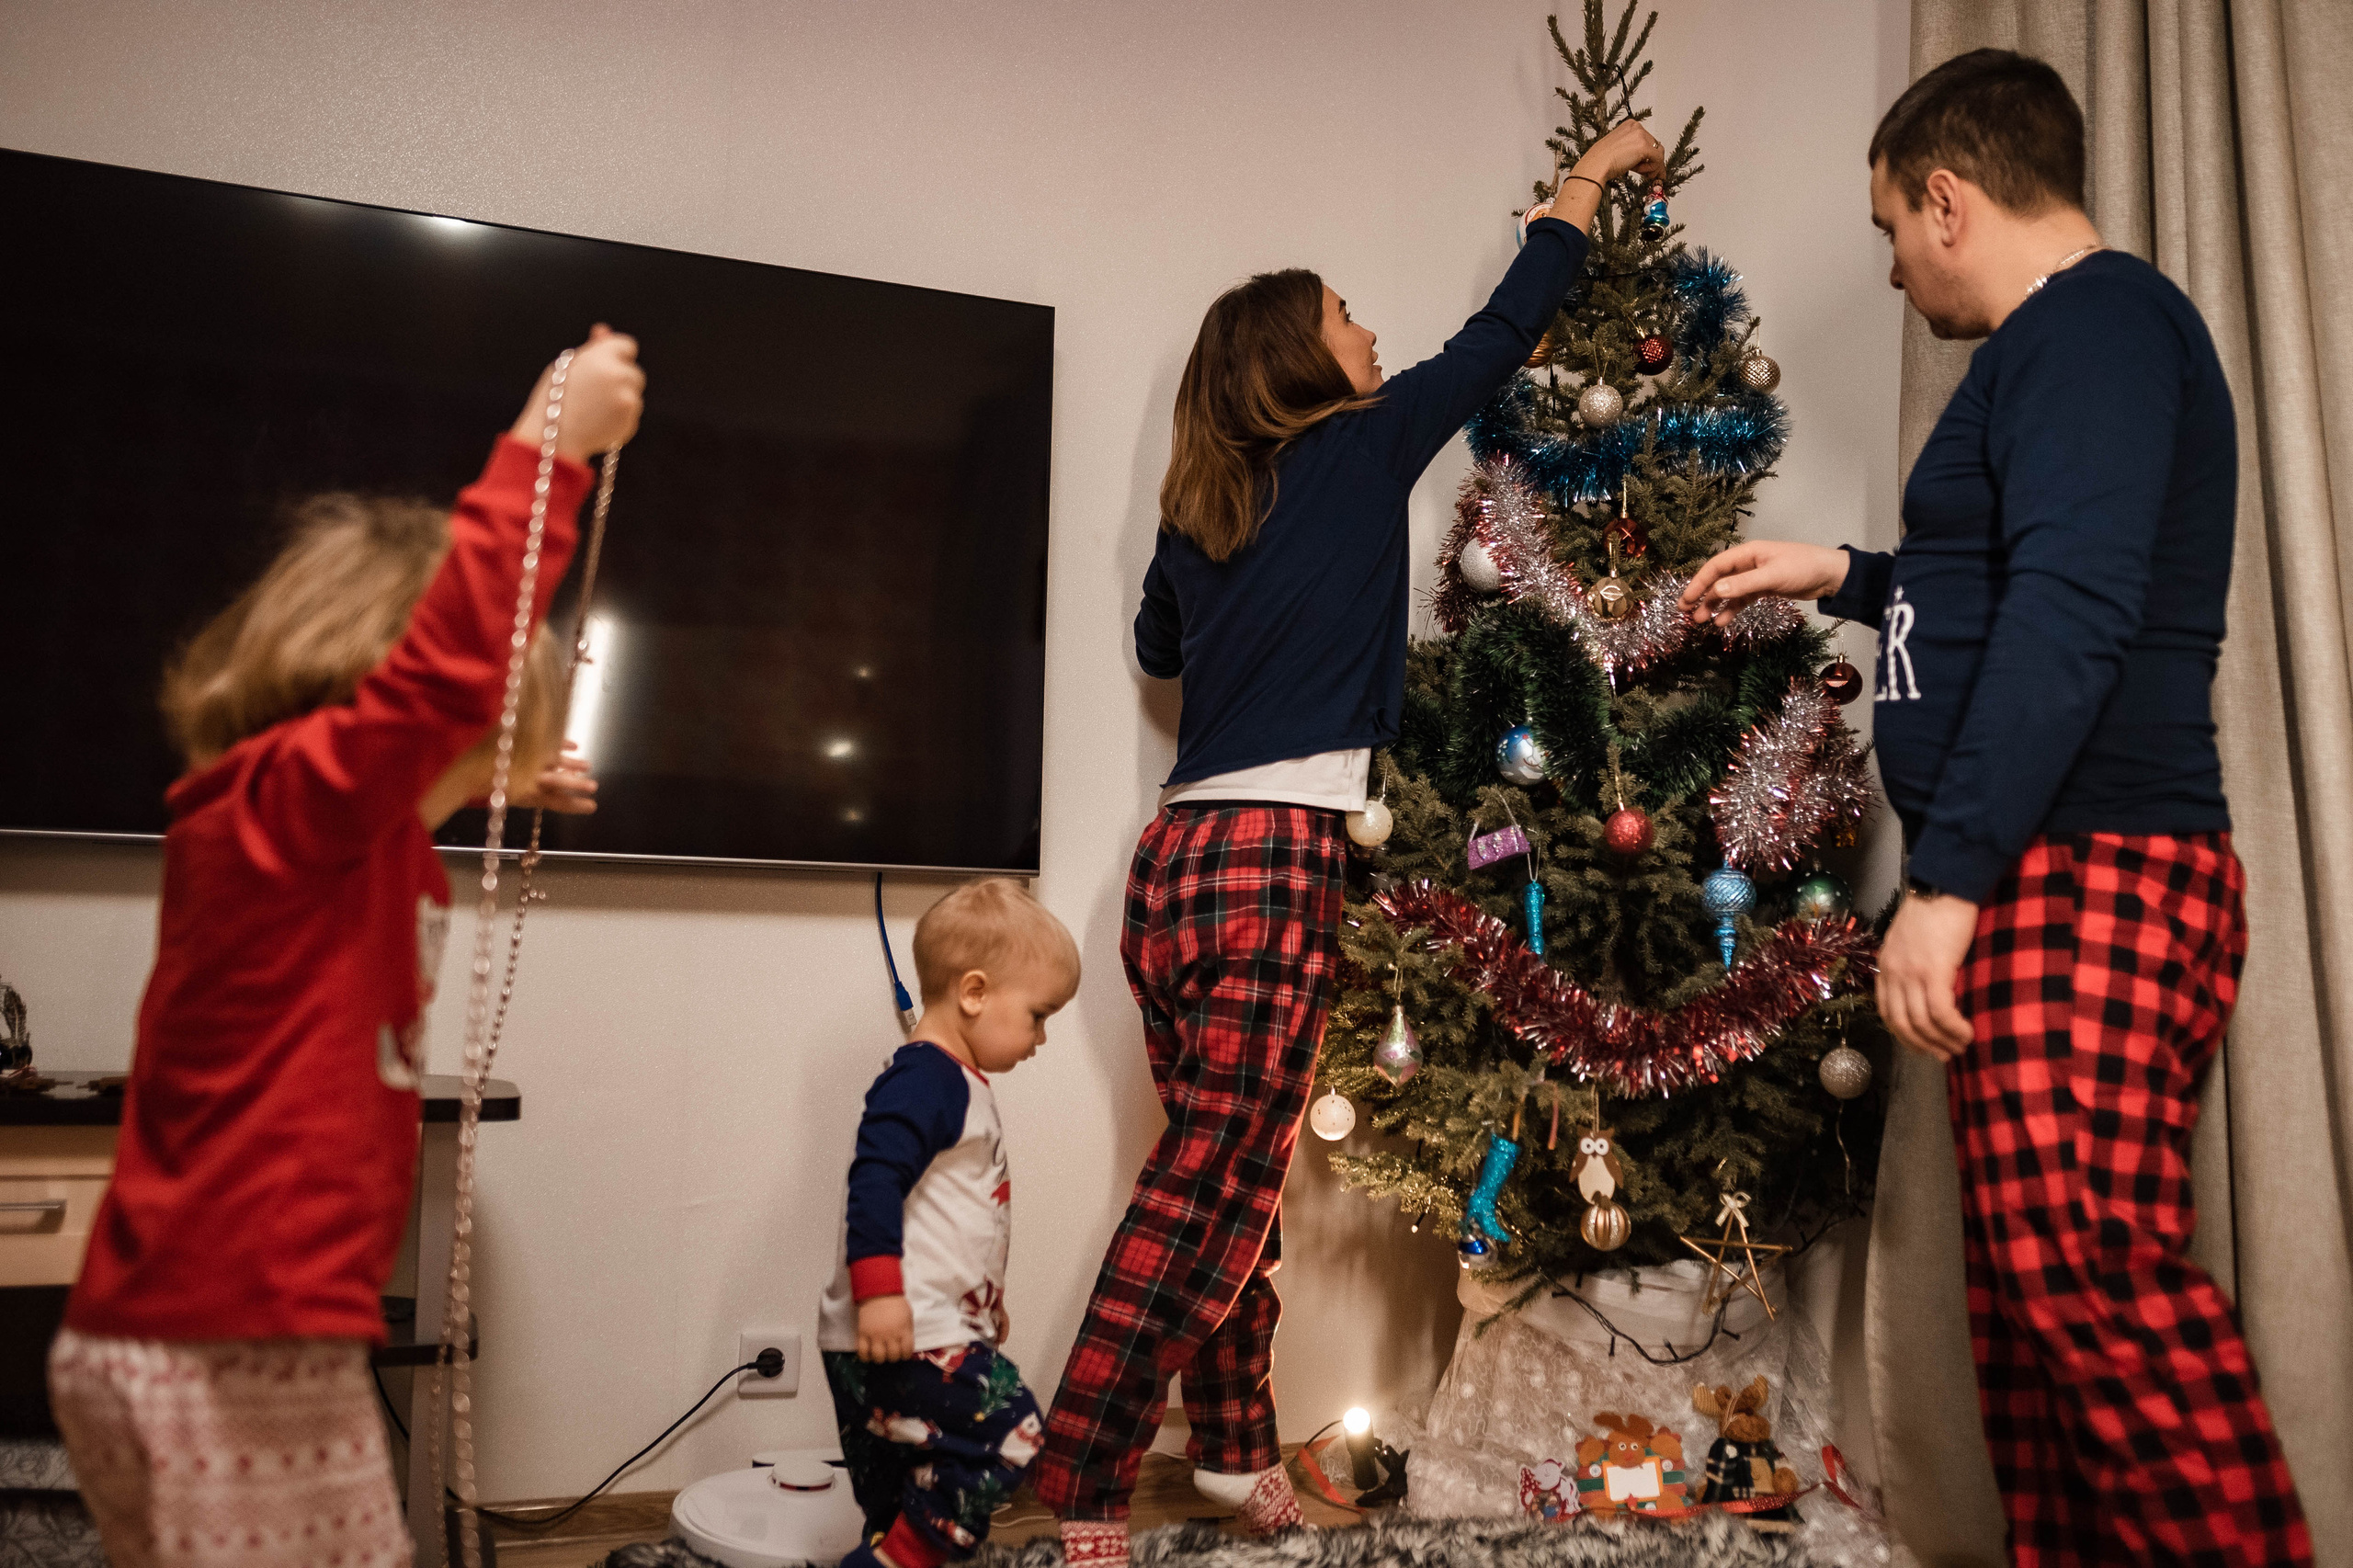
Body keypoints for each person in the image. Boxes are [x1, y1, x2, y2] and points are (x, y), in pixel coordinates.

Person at [1680, 50, 2310, 1568]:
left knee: (2086, 1279)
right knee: (2032, 1329)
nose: (1895, 268)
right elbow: (2005, 578)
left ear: (1948, 199)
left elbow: (2075, 612)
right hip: (2046, 868)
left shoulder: (2096, 328)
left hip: (2092, 863)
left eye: (1893, 227)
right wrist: (1846, 573)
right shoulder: (2053, 351)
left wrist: (1948, 881)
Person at [1030, 119, 1666, 1567]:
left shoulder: (1202, 511)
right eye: (1344, 315)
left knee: (1233, 1178)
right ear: (1298, 362)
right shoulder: (1364, 444)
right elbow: (1502, 332)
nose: (1370, 332)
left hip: (1175, 863)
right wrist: (1587, 179)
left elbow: (1157, 645)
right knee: (1212, 1186)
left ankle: (1233, 1451)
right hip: (1273, 858)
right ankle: (1084, 1475)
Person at [48, 328, 643, 1568]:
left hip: (223, 1334)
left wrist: (501, 774)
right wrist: (548, 454)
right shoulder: (275, 811)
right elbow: (431, 695)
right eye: (484, 733)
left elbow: (404, 772)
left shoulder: (332, 839)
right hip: (228, 1341)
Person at [817, 878, 1080, 1568]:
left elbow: (957, 1221)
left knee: (902, 1496)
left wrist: (983, 1306)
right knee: (1012, 1432)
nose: (1042, 1037)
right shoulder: (926, 1079)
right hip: (901, 1329)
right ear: (974, 993)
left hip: (928, 1324)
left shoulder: (956, 1084)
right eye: (1038, 1015)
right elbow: (874, 1178)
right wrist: (879, 1293)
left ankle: (888, 1551)